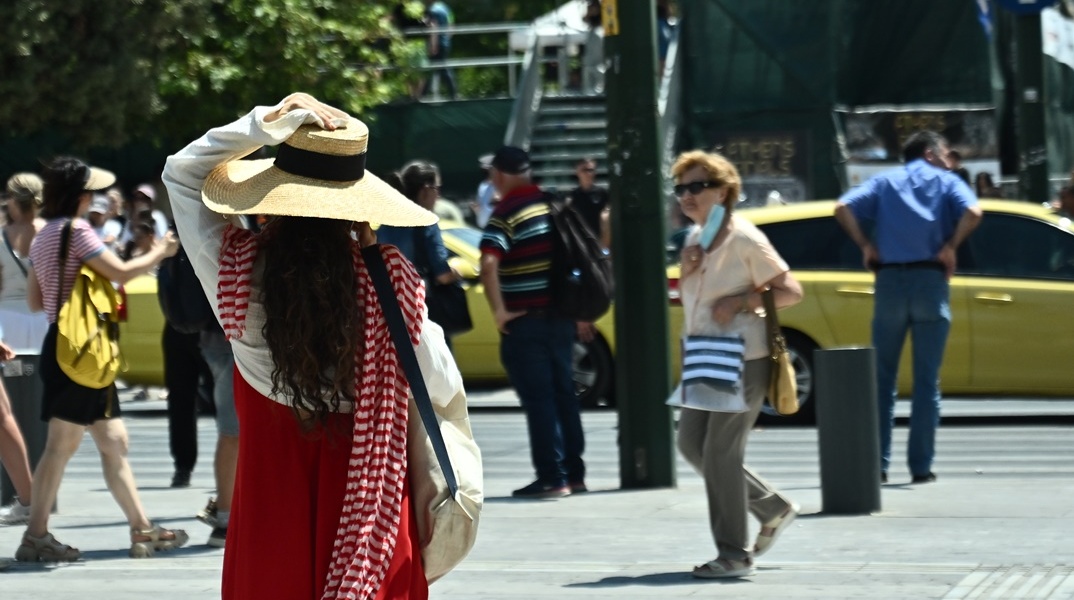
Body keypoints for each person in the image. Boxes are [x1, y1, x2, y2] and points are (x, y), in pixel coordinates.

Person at [163, 92, 464, 598]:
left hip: (269, 519)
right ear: (357, 207)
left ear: (272, 199)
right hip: (370, 517)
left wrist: (266, 123)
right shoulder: (391, 285)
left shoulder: (236, 274)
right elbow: (437, 382)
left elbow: (182, 173)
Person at [17, 156, 186, 562]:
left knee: (113, 442)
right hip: (84, 351)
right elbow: (122, 273)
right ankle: (36, 535)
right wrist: (160, 251)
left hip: (66, 346)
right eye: (89, 192)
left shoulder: (43, 235)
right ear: (79, 196)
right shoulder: (77, 232)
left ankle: (141, 528)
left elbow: (36, 301)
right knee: (61, 446)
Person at [671, 150, 803, 579]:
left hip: (742, 356)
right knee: (692, 445)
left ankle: (734, 554)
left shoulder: (744, 238)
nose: (686, 195)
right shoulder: (695, 238)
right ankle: (772, 507)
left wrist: (742, 301)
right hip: (704, 355)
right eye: (680, 188)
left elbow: (790, 290)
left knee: (720, 453)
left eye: (697, 186)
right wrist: (687, 268)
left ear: (724, 191)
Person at [834, 130, 982, 484]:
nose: (948, 161)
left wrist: (865, 245)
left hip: (889, 282)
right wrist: (951, 246)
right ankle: (920, 466)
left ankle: (878, 465)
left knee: (883, 378)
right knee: (927, 381)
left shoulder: (884, 181)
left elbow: (842, 208)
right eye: (944, 153)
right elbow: (974, 212)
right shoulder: (947, 182)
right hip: (930, 280)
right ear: (930, 153)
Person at [479, 146, 586, 499]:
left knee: (540, 399)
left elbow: (489, 264)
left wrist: (499, 311)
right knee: (564, 394)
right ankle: (574, 473)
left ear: (499, 175)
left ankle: (552, 477)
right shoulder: (552, 205)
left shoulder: (507, 213)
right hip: (561, 319)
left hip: (525, 323)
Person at [0, 173, 48, 526]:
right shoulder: (52, 233)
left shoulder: (3, 236)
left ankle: (28, 499)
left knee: (7, 415)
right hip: (44, 322)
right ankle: (33, 499)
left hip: (8, 322)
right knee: (19, 416)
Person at [379, 161, 461, 345]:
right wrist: (457, 272)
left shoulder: (386, 223)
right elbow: (443, 275)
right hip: (422, 312)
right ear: (425, 191)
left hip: (388, 310)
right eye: (437, 189)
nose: (438, 196)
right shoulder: (427, 223)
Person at [567, 157, 610, 239]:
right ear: (577, 172)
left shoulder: (603, 194)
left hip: (599, 240)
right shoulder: (572, 196)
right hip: (580, 242)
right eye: (584, 170)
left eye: (591, 170)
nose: (588, 173)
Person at [421, 0, 456, 99]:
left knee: (434, 69)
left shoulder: (432, 10)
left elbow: (433, 28)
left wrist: (433, 45)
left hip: (436, 43)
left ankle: (423, 95)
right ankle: (453, 94)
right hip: (445, 42)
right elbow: (452, 26)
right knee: (440, 67)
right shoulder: (445, 8)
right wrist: (446, 38)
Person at [472, 153, 496, 228]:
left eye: (488, 171)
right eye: (484, 171)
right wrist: (476, 209)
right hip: (483, 228)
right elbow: (480, 207)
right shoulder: (482, 186)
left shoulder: (502, 186)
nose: (486, 173)